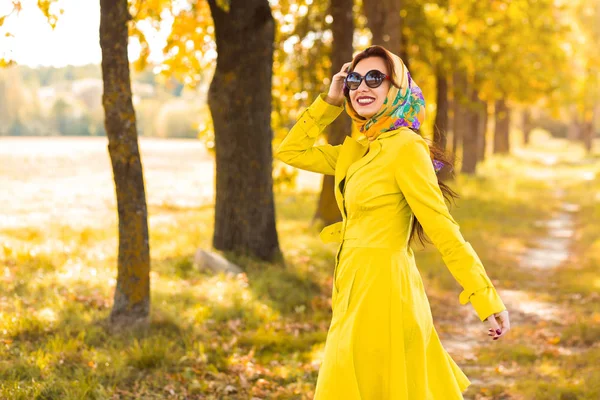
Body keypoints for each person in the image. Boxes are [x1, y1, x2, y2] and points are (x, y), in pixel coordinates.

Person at [275, 45, 510, 399]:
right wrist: (330, 101)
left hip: (386, 293)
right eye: (355, 79)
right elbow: (290, 151)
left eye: (375, 78)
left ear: (396, 88)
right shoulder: (359, 151)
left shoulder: (406, 148)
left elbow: (443, 229)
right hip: (351, 290)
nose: (362, 87)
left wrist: (484, 298)